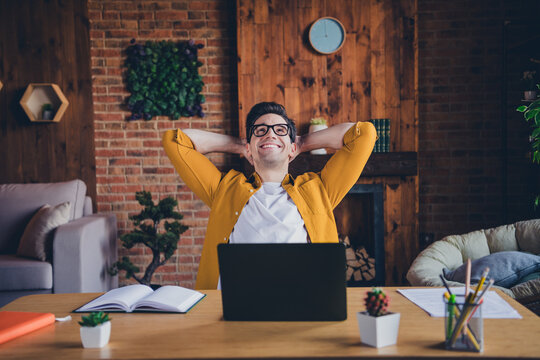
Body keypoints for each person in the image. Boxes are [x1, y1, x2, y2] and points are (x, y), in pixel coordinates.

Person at [162, 102, 376, 289]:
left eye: (280, 130)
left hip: (304, 306)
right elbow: (175, 140)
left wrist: (301, 143)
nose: (270, 134)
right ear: (249, 149)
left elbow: (364, 134)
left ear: (292, 150)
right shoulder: (224, 189)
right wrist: (240, 146)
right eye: (261, 130)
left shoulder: (319, 189)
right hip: (234, 309)